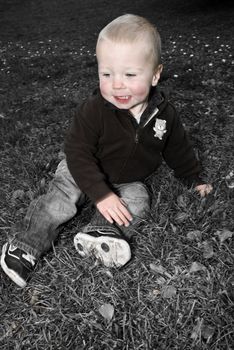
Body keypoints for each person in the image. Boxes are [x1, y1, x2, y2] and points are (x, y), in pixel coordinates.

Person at [1, 14, 213, 288]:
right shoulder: (94, 110)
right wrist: (101, 194)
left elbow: (178, 149)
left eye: (130, 74)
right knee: (62, 198)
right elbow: (77, 152)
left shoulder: (164, 115)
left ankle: (102, 233)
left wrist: (193, 178)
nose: (117, 84)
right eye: (107, 74)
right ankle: (24, 246)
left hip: (128, 178)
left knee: (138, 200)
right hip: (85, 167)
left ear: (155, 74)